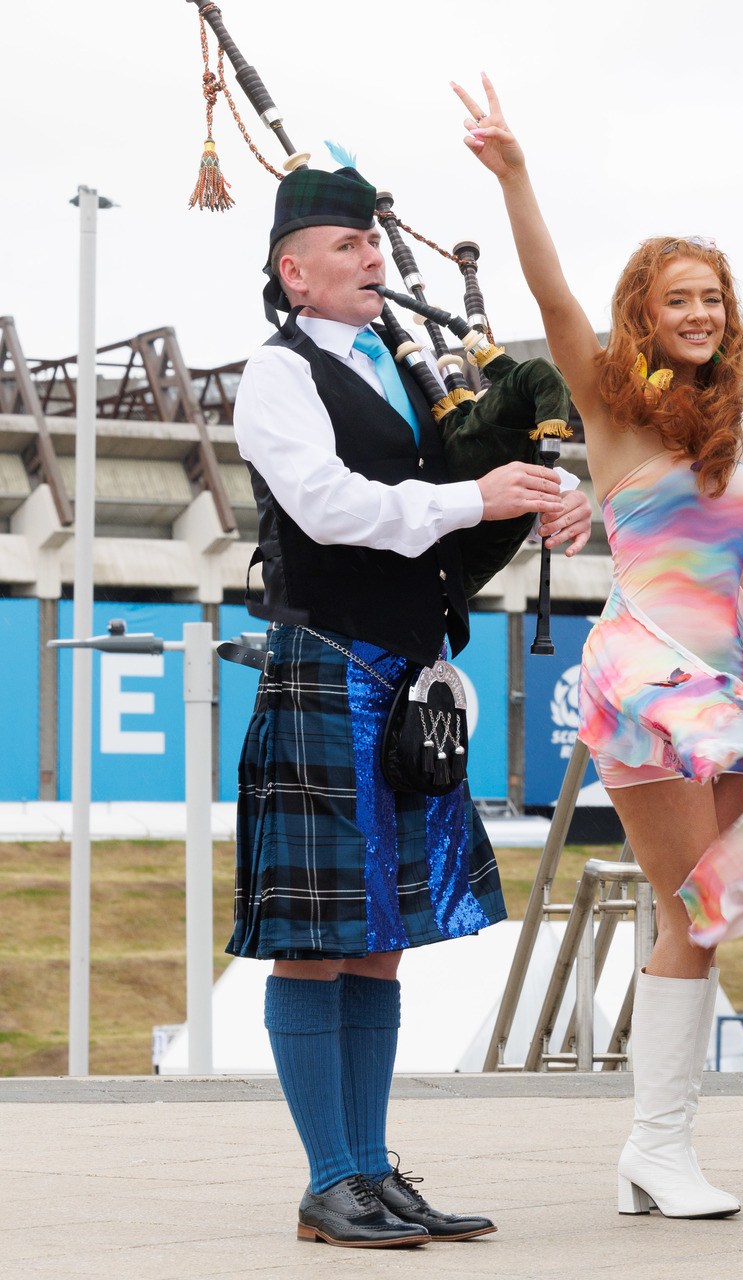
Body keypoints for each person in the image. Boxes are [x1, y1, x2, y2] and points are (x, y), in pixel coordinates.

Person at [457, 73, 743, 1222]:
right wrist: (515, 175)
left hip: (725, 681)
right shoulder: (611, 401)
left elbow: (736, 581)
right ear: (644, 312)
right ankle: (657, 1144)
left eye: (712, 296)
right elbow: (551, 297)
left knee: (710, 908)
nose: (699, 312)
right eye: (678, 299)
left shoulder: (722, 420)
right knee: (696, 908)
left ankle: (655, 1149)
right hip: (651, 679)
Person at [232, 155, 592, 1248]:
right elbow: (330, 504)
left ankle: (373, 1171)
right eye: (348, 246)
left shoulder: (398, 355)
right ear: (295, 273)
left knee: (381, 933)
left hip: (405, 672)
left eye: (374, 242)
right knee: (319, 934)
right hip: (327, 659)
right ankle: (328, 1176)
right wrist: (467, 495)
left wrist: (541, 489)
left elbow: (464, 467)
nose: (373, 257)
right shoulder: (276, 371)